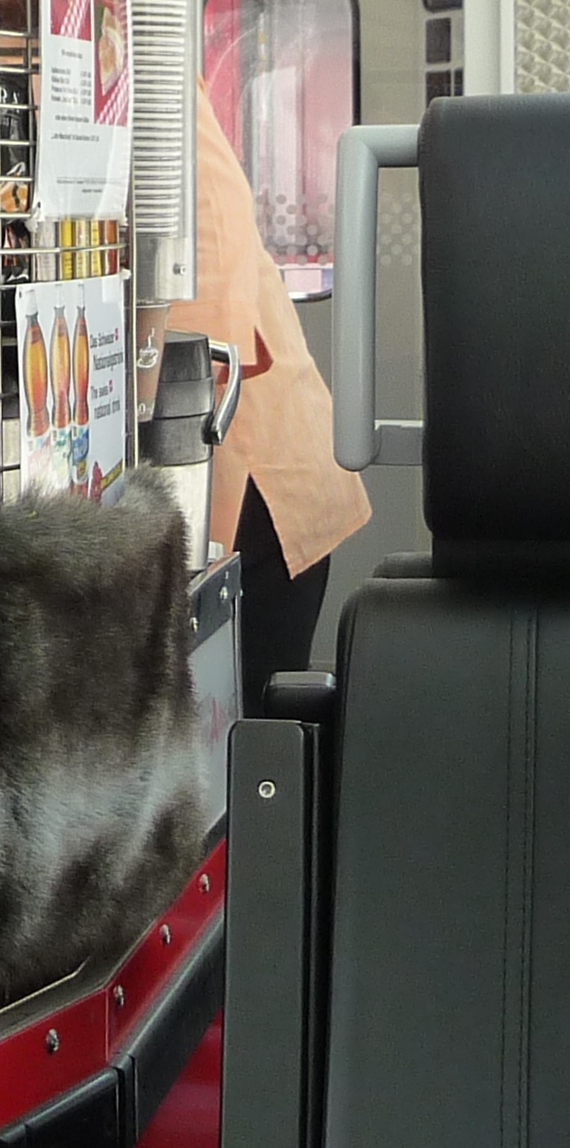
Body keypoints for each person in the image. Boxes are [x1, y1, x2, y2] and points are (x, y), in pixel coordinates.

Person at [170, 85, 371, 712]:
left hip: (250, 471)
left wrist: (191, 554)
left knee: (241, 738)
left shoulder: (159, 93)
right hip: (225, 455)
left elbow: (212, 306)